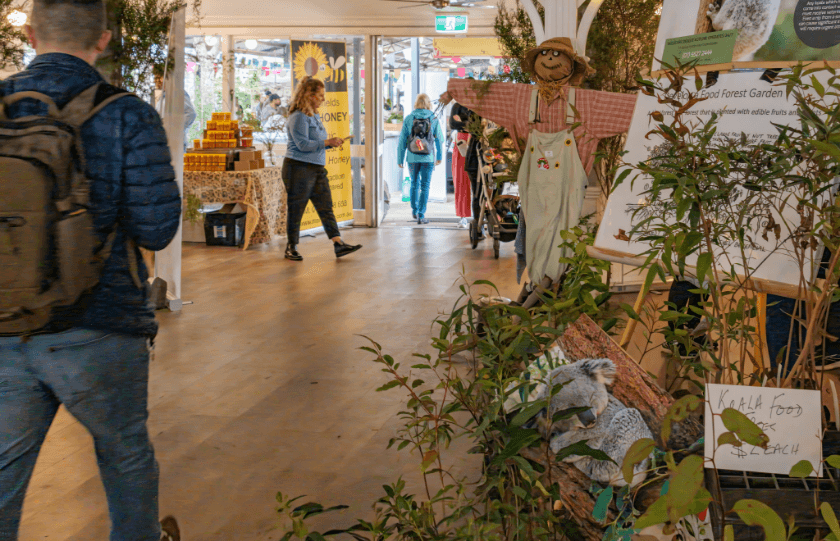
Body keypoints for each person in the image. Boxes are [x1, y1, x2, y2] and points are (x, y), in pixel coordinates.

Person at [0, 0, 182, 539]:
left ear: (30, 34)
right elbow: (156, 230)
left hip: (5, 323)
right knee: (125, 459)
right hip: (99, 323)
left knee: (5, 475)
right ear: (103, 40)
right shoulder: (128, 113)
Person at [282, 76, 362, 261]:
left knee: (326, 207)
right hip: (298, 168)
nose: (323, 99)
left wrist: (330, 144)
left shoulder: (313, 115)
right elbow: (302, 145)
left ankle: (338, 244)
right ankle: (291, 247)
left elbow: (315, 143)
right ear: (309, 95)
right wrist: (327, 141)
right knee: (297, 209)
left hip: (316, 168)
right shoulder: (298, 117)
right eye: (320, 95)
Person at [397, 93, 444, 224]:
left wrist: (400, 159)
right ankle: (421, 215)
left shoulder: (409, 118)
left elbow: (402, 140)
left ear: (416, 103)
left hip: (412, 157)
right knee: (425, 186)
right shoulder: (433, 118)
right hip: (427, 158)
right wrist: (439, 156)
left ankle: (414, 210)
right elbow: (439, 139)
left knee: (414, 183)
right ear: (428, 104)